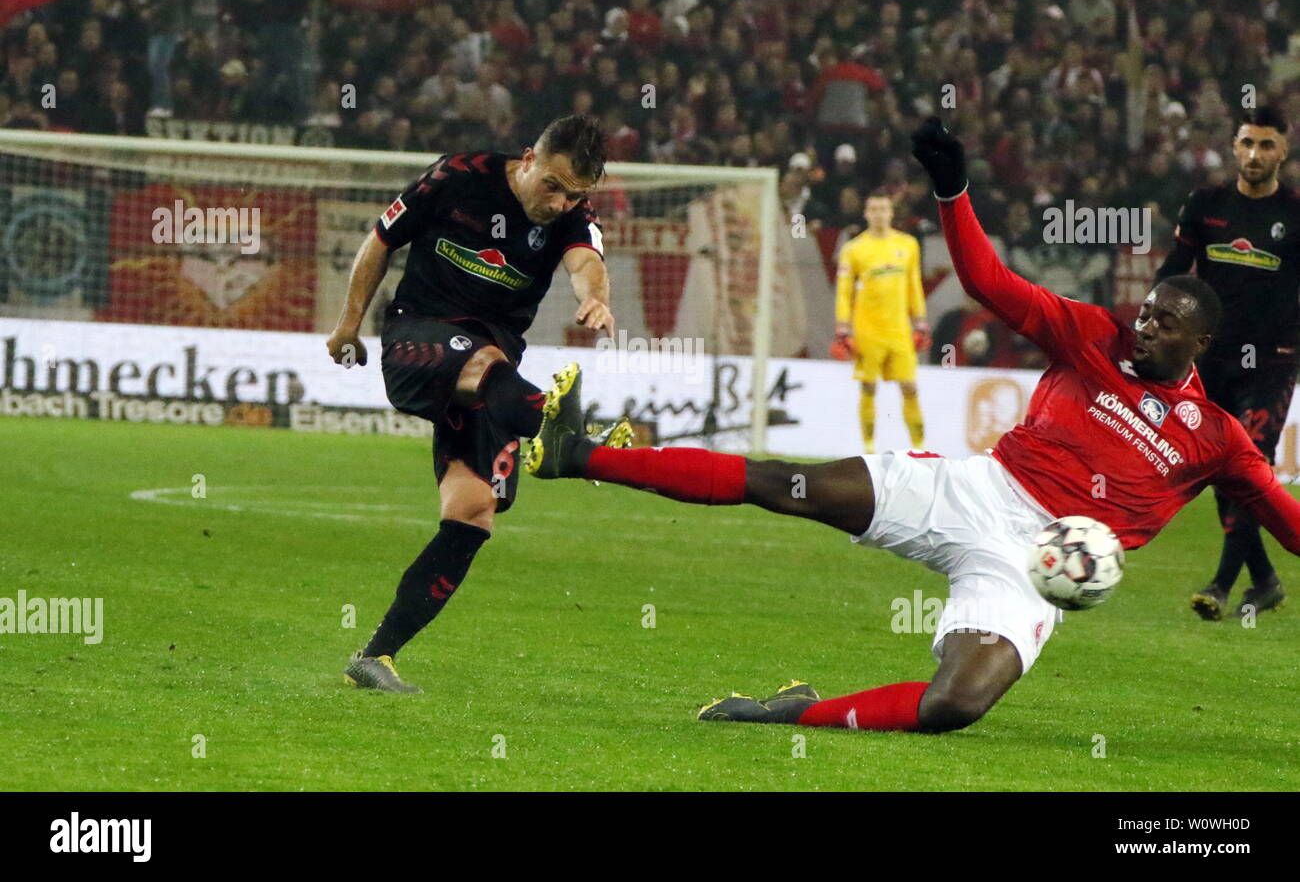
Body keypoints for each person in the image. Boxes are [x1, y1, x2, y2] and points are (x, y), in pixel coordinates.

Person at [525, 118, 1300, 734]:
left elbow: (1289, 522)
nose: (1145, 328)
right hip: (971, 487)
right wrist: (952, 187)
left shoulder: (1216, 438)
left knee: (952, 707)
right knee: (784, 484)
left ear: (1199, 346)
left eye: (1165, 326)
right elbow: (987, 281)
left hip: (1029, 571)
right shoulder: (1093, 332)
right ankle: (580, 454)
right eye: (1148, 313)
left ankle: (797, 711)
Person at [325, 115, 630, 692]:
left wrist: (596, 301)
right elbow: (380, 241)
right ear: (528, 159)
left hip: (491, 381)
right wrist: (347, 325)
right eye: (554, 185)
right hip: (419, 339)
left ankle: (375, 657)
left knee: (471, 513)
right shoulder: (458, 175)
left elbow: (587, 264)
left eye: (577, 194)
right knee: (485, 360)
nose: (562, 202)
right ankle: (568, 436)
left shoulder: (573, 217)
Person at [1156, 106, 1300, 620]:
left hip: (1273, 361)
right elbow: (1175, 269)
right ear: (1234, 147)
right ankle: (1263, 581)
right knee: (1221, 470)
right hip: (1209, 358)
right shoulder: (1205, 205)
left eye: (1266, 145)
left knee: (1250, 466)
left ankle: (1220, 584)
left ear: (1283, 150)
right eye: (1247, 144)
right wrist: (1153, 317)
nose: (1255, 154)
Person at [832, 192, 929, 452]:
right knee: (868, 386)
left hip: (899, 330)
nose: (878, 214)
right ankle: (869, 448)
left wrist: (920, 321)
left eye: (883, 209)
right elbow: (844, 291)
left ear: (891, 212)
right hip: (867, 330)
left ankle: (919, 448)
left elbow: (914, 285)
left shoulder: (908, 245)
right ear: (866, 214)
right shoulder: (854, 249)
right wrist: (843, 326)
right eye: (873, 209)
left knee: (909, 386)